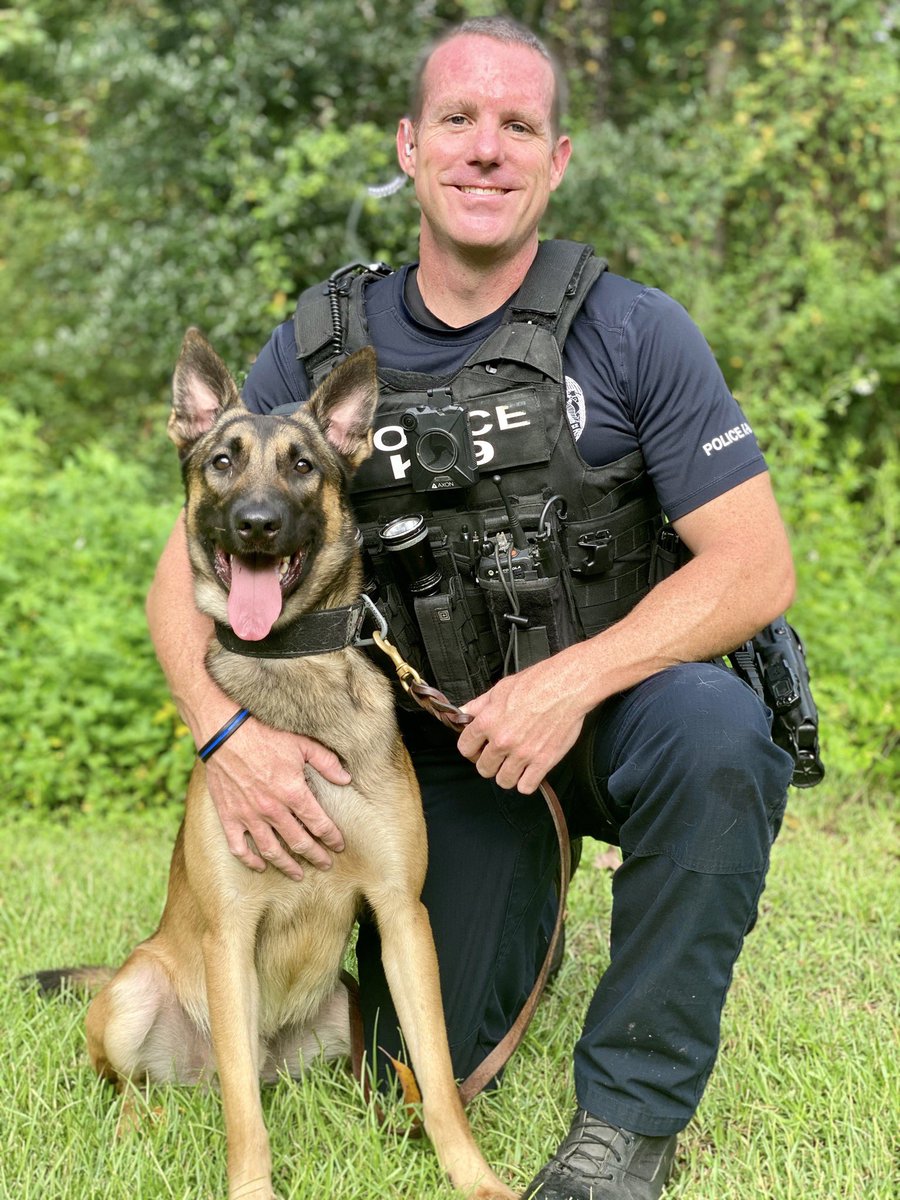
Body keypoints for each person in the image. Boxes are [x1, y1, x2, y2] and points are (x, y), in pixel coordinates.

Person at [147, 17, 796, 1200]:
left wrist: (571, 680)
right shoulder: (319, 345)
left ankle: (628, 1122)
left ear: (557, 159)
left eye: (519, 126)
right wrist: (222, 728)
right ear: (409, 145)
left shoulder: (636, 330)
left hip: (611, 715)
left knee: (720, 737)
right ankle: (516, 892)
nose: (485, 150)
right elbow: (185, 552)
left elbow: (754, 568)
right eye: (457, 120)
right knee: (403, 1075)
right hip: (438, 751)